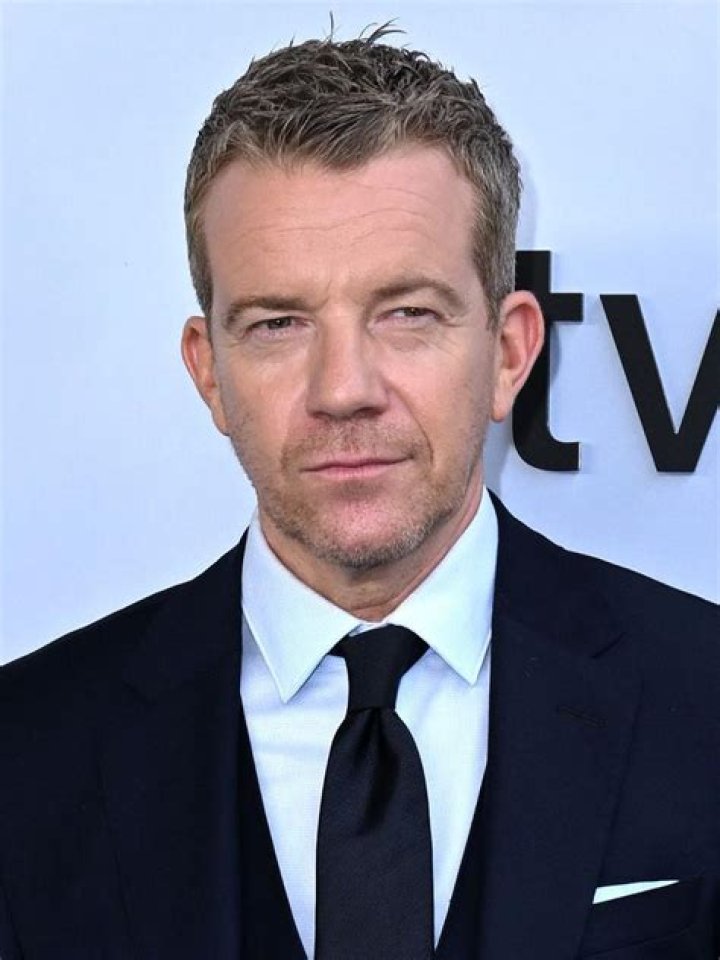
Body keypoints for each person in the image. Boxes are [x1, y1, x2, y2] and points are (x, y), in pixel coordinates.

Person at [0, 27, 717, 960]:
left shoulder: (704, 696)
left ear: (508, 354)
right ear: (209, 372)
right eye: (278, 323)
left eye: (407, 313)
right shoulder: (27, 752)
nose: (344, 388)